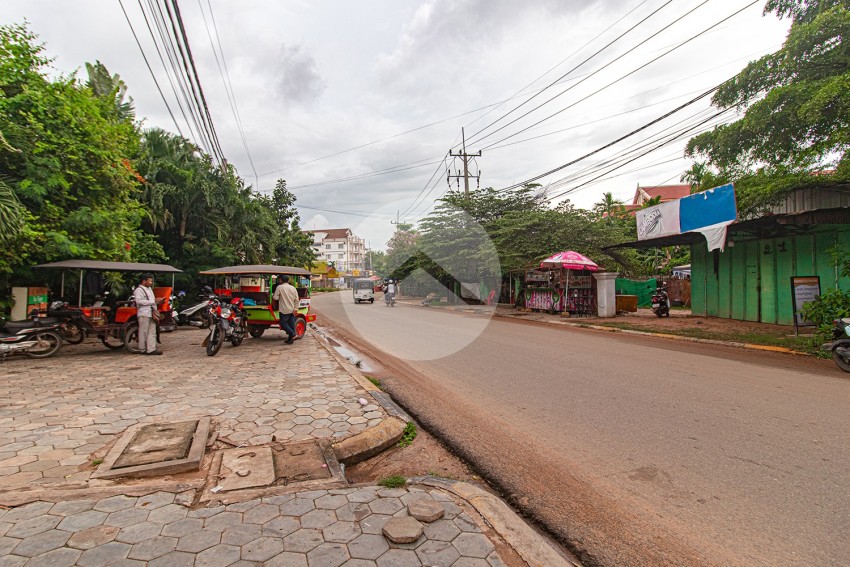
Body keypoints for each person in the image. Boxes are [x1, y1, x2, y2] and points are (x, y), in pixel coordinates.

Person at [133, 273, 162, 355]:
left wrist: (157, 301)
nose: (151, 283)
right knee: (144, 331)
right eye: (149, 281)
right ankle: (143, 349)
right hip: (144, 313)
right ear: (144, 281)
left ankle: (151, 349)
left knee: (152, 331)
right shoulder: (139, 290)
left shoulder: (149, 289)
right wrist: (153, 301)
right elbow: (138, 301)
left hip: (151, 312)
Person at [273, 275, 300, 344]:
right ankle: (290, 340)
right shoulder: (293, 288)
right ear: (288, 281)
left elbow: (275, 298)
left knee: (283, 323)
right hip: (292, 309)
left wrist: (280, 297)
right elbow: (297, 299)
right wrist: (296, 308)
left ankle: (293, 334)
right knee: (291, 324)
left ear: (281, 280)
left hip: (284, 309)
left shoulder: (279, 287)